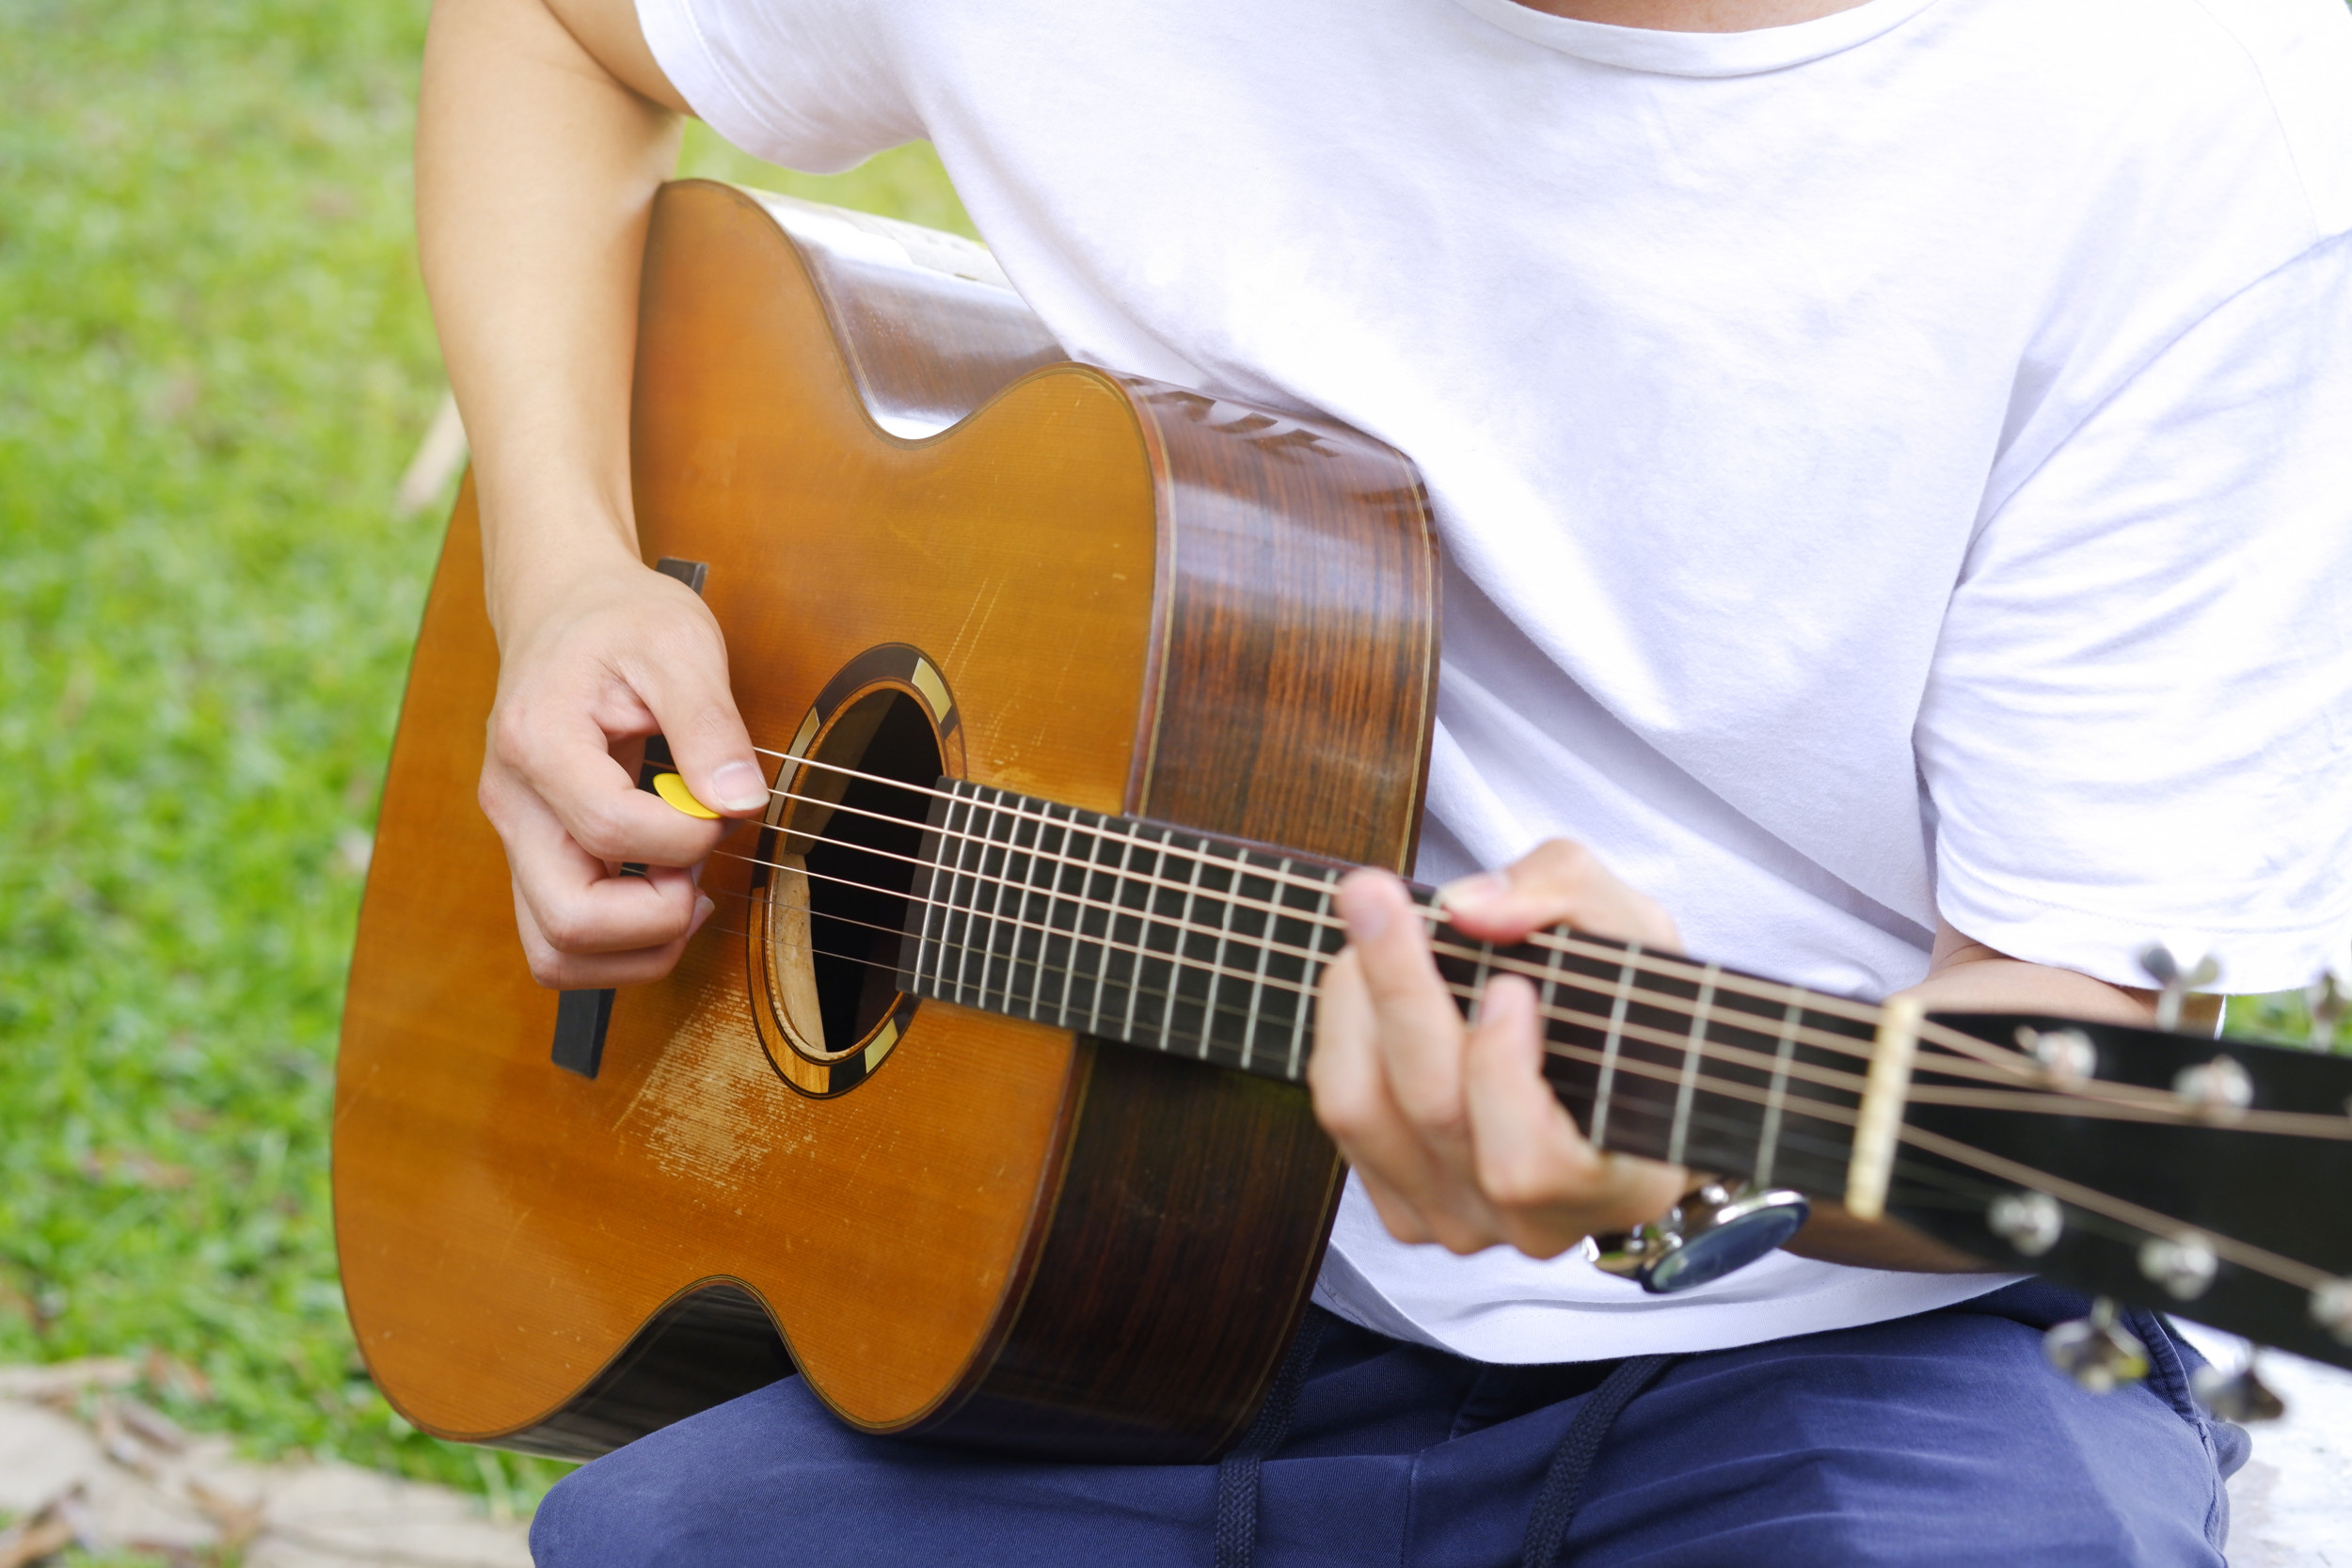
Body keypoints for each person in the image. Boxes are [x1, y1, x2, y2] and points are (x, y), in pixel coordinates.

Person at [414, 0, 2352, 1560]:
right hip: (1139, 1304)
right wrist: (568, 565)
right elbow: (552, 34)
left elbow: (2060, 1051)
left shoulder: (2189, 127)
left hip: (1845, 1352)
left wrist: (1669, 1156)